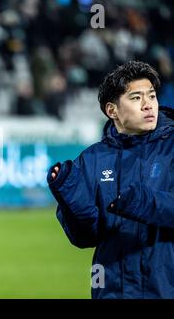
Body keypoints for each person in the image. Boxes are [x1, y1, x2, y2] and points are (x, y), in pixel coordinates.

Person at [47, 60, 174, 298]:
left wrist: (141, 202)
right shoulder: (91, 159)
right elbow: (84, 237)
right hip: (112, 291)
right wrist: (71, 197)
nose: (148, 105)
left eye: (152, 96)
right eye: (136, 98)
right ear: (112, 110)